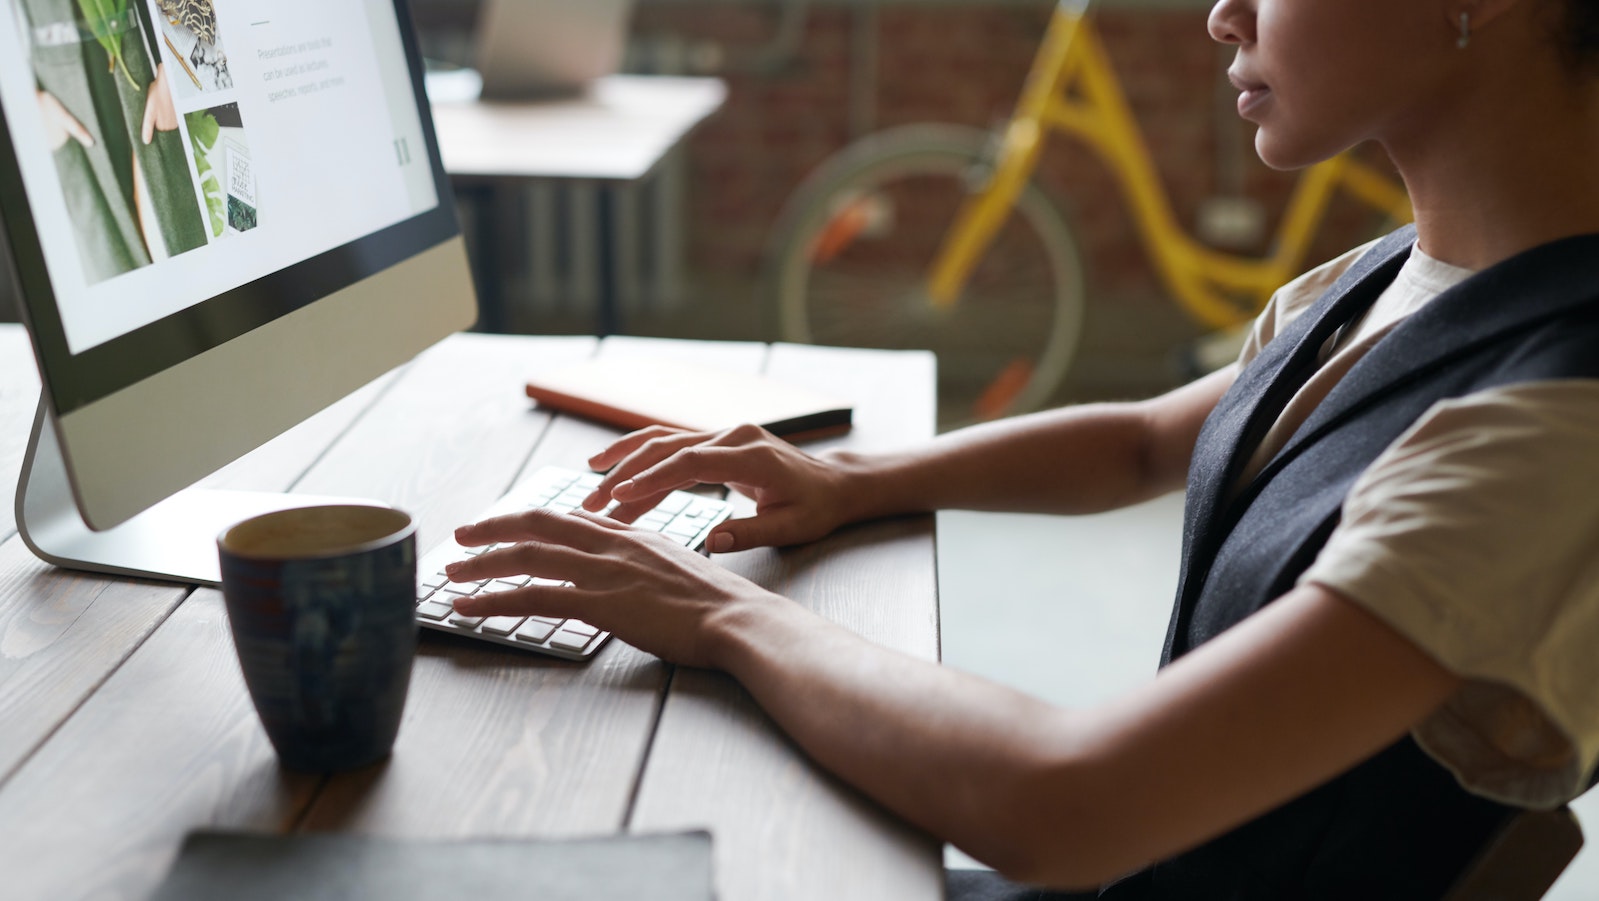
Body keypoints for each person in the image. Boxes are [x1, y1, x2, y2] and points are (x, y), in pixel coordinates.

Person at [446, 0, 1599, 896]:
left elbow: (1067, 801)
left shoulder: (1551, 427)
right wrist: (845, 479)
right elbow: (1143, 441)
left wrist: (719, 612)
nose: (1220, 15)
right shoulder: (1387, 276)